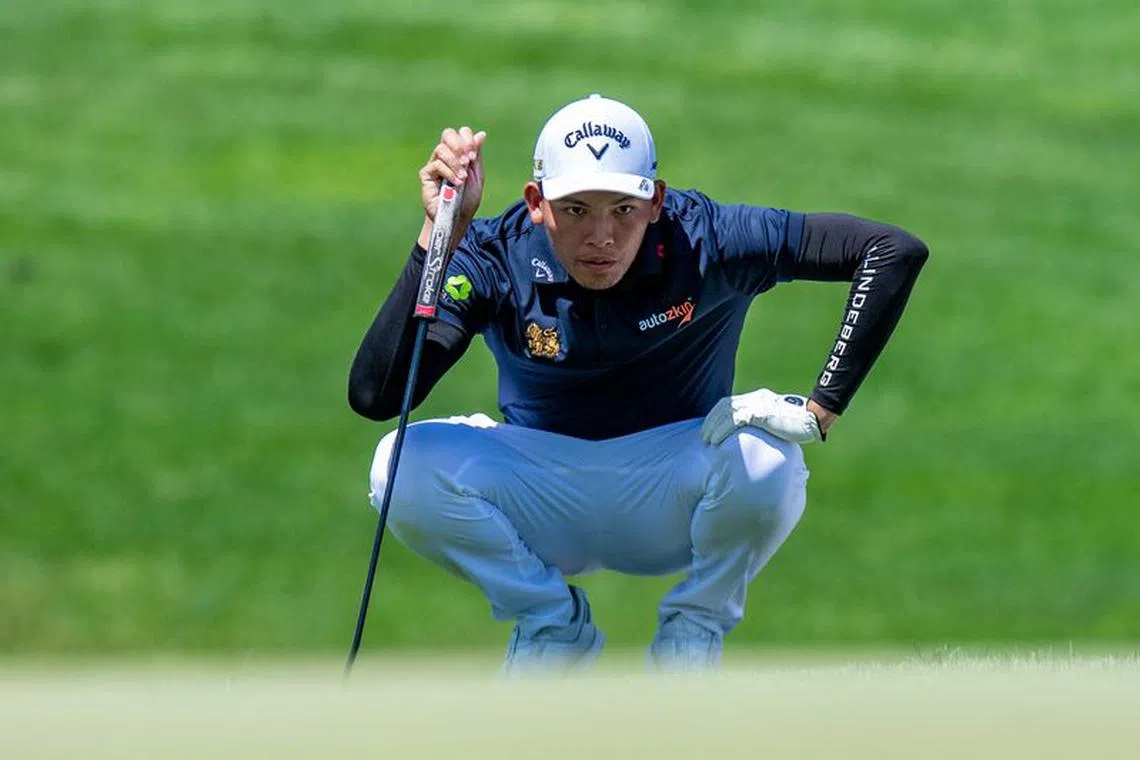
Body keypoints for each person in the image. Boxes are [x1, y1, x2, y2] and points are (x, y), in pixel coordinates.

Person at [347, 94, 928, 673]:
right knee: (397, 465)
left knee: (767, 457)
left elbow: (890, 250)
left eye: (623, 209)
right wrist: (438, 235)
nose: (601, 236)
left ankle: (692, 635)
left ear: (655, 202)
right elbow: (378, 395)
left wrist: (822, 407)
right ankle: (552, 624)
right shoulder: (494, 254)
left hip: (675, 486)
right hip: (541, 489)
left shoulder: (709, 237)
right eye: (576, 210)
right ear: (536, 203)